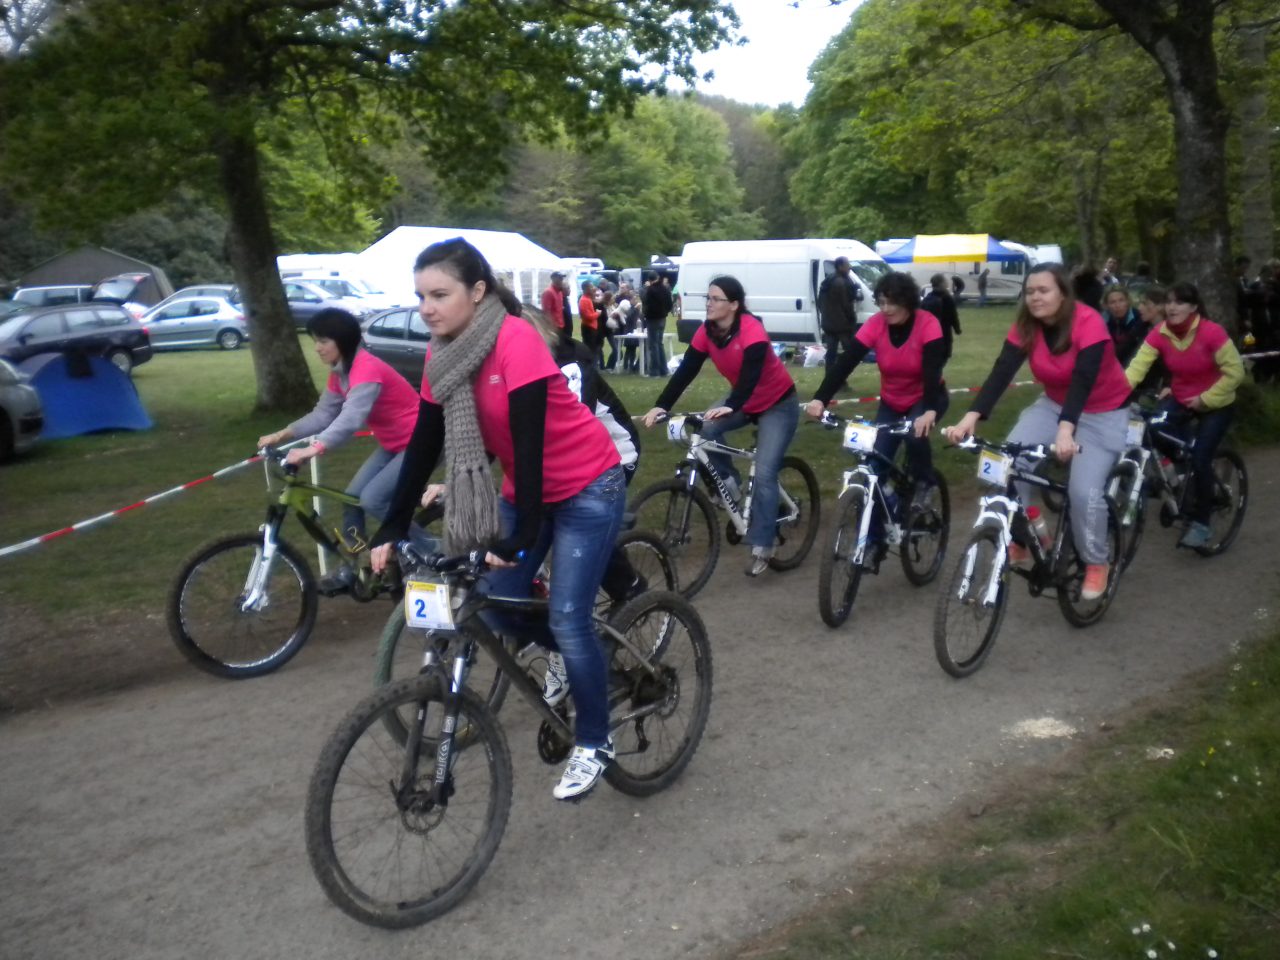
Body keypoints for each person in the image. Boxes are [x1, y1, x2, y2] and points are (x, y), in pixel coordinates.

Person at [370, 238, 626, 802]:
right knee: (499, 603)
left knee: (567, 616)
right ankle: (572, 656)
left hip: (587, 484)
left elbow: (530, 443)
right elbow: (424, 441)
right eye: (420, 296)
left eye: (440, 294)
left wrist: (525, 533)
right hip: (524, 488)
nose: (427, 307)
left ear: (477, 291)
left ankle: (595, 740)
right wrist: (394, 521)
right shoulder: (443, 354)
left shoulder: (515, 340)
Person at [944, 263, 1132, 601]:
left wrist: (1066, 430)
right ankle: (1029, 534)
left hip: (1103, 414)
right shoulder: (1027, 326)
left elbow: (1083, 379)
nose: (1035, 297)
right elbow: (1002, 371)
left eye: (1043, 290)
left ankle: (1096, 561)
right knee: (1002, 468)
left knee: (1082, 492)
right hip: (1054, 405)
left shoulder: (1088, 321)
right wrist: (971, 417)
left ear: (1062, 292)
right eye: (1030, 291)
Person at [640, 275, 799, 577]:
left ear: (734, 305)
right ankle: (731, 485)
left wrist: (734, 404)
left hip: (777, 402)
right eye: (708, 299)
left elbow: (752, 374)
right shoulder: (707, 332)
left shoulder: (751, 329)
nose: (709, 304)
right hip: (741, 398)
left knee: (765, 473)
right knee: (706, 429)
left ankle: (763, 543)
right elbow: (686, 370)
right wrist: (662, 405)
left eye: (716, 299)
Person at [257, 308, 421, 594]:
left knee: (372, 499)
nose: (317, 348)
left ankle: (430, 553)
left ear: (342, 340)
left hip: (420, 442)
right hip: (394, 444)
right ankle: (354, 566)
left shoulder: (366, 369)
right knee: (351, 499)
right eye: (315, 341)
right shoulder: (340, 373)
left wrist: (314, 449)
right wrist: (283, 433)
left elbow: (351, 419)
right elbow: (323, 415)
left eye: (323, 341)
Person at [805, 271, 949, 516]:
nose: (886, 308)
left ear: (907, 301)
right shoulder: (876, 324)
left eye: (892, 302)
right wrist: (821, 398)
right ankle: (874, 540)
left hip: (927, 396)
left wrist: (929, 411)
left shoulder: (927, 323)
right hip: (892, 401)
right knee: (875, 465)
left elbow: (932, 370)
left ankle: (926, 483)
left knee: (915, 435)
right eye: (881, 302)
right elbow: (846, 362)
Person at [1122, 281, 1244, 549]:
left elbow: (1236, 372)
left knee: (1201, 458)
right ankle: (1180, 476)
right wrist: (1114, 395)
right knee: (1151, 430)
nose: (1172, 307)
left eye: (1179, 302)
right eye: (1169, 301)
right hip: (1181, 399)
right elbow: (1136, 369)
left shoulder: (1211, 333)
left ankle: (1202, 524)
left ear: (1194, 307)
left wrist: (1206, 398)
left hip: (1216, 402)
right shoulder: (1160, 333)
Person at [818, 256, 860, 367]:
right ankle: (840, 378)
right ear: (840, 267)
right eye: (847, 265)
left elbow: (820, 303)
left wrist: (826, 315)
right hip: (842, 325)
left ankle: (830, 379)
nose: (850, 267)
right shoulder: (841, 282)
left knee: (831, 353)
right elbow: (846, 305)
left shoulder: (828, 280)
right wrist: (851, 320)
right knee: (850, 353)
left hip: (829, 323)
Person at [1101, 284, 1150, 365]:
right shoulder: (1102, 321)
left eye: (1121, 300)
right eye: (1112, 302)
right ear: (1107, 305)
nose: (1117, 305)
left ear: (1127, 301)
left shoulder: (1138, 318)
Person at [920, 272, 962, 359]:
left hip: (929, 334)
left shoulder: (928, 298)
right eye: (945, 281)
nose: (947, 282)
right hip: (944, 332)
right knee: (942, 357)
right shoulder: (947, 298)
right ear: (942, 283)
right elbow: (953, 315)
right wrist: (957, 329)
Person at [641, 270, 673, 378]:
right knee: (659, 344)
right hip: (662, 318)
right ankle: (664, 369)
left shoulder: (650, 290)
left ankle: (654, 371)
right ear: (658, 277)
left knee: (653, 345)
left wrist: (646, 288)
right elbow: (670, 303)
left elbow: (645, 301)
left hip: (652, 319)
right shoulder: (665, 288)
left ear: (649, 280)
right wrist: (665, 312)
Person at [540, 271, 571, 342]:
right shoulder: (548, 292)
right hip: (554, 327)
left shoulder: (559, 292)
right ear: (553, 279)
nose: (561, 280)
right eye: (559, 278)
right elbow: (546, 312)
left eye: (562, 278)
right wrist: (550, 328)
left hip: (561, 325)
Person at [578, 281, 599, 358]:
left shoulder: (588, 299)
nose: (593, 288)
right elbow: (588, 317)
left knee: (593, 348)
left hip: (592, 327)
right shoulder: (584, 300)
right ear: (586, 289)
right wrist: (597, 313)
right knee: (589, 349)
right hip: (588, 328)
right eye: (591, 287)